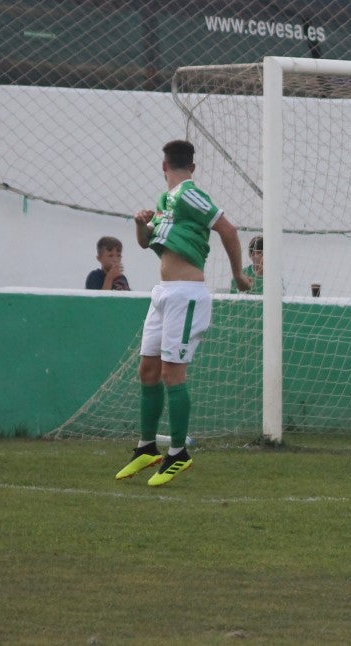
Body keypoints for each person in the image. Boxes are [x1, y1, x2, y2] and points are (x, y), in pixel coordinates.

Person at [115, 140, 251, 486]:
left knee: (173, 374)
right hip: (163, 294)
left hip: (186, 295)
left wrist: (237, 275)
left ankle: (178, 453)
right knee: (148, 369)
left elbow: (228, 229)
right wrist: (139, 223)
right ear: (192, 165)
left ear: (164, 165)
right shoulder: (167, 201)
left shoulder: (189, 194)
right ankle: (147, 448)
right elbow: (147, 243)